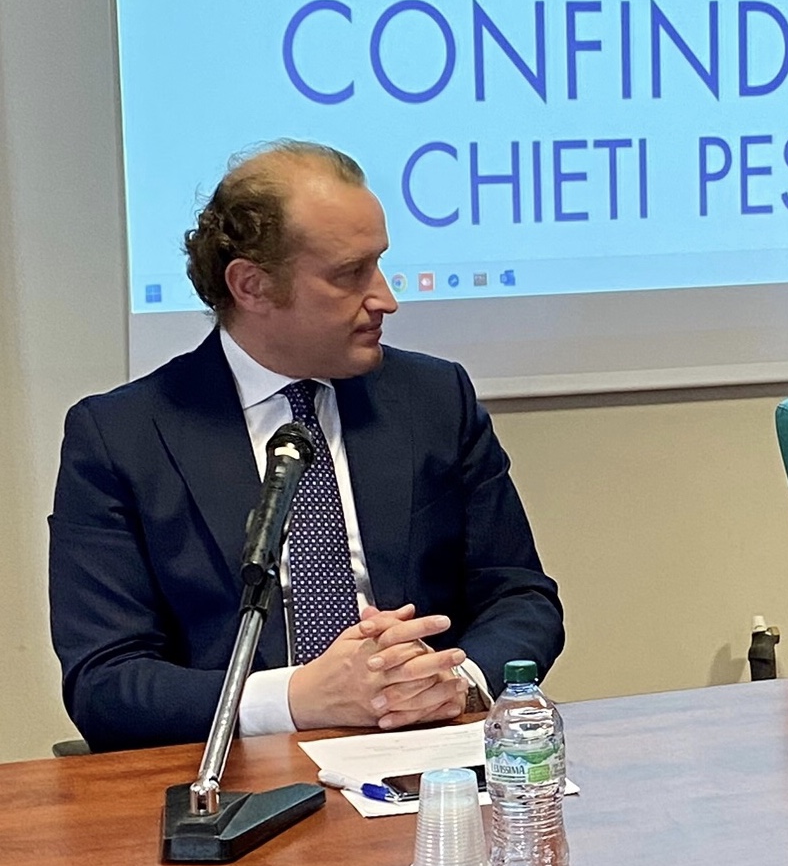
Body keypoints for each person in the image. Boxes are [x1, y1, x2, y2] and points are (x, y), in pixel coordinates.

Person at [49, 141, 563, 751]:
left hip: (427, 754)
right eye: (350, 274)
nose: (385, 299)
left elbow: (520, 595)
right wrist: (296, 699)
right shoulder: (122, 437)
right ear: (252, 285)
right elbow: (104, 684)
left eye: (379, 264)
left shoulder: (434, 399)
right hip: (243, 769)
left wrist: (457, 681)